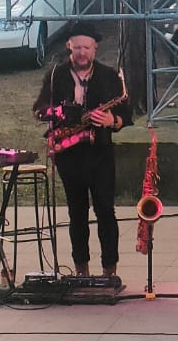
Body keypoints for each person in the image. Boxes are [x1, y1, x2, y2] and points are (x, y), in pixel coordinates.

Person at [33, 21, 133, 279]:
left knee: (105, 211)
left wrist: (112, 120)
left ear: (95, 48)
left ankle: (109, 271)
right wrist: (57, 113)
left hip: (100, 153)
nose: (81, 52)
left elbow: (126, 115)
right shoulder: (56, 75)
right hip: (69, 155)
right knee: (76, 214)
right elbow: (39, 108)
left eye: (86, 48)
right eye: (77, 47)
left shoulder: (109, 76)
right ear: (69, 46)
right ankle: (81, 271)